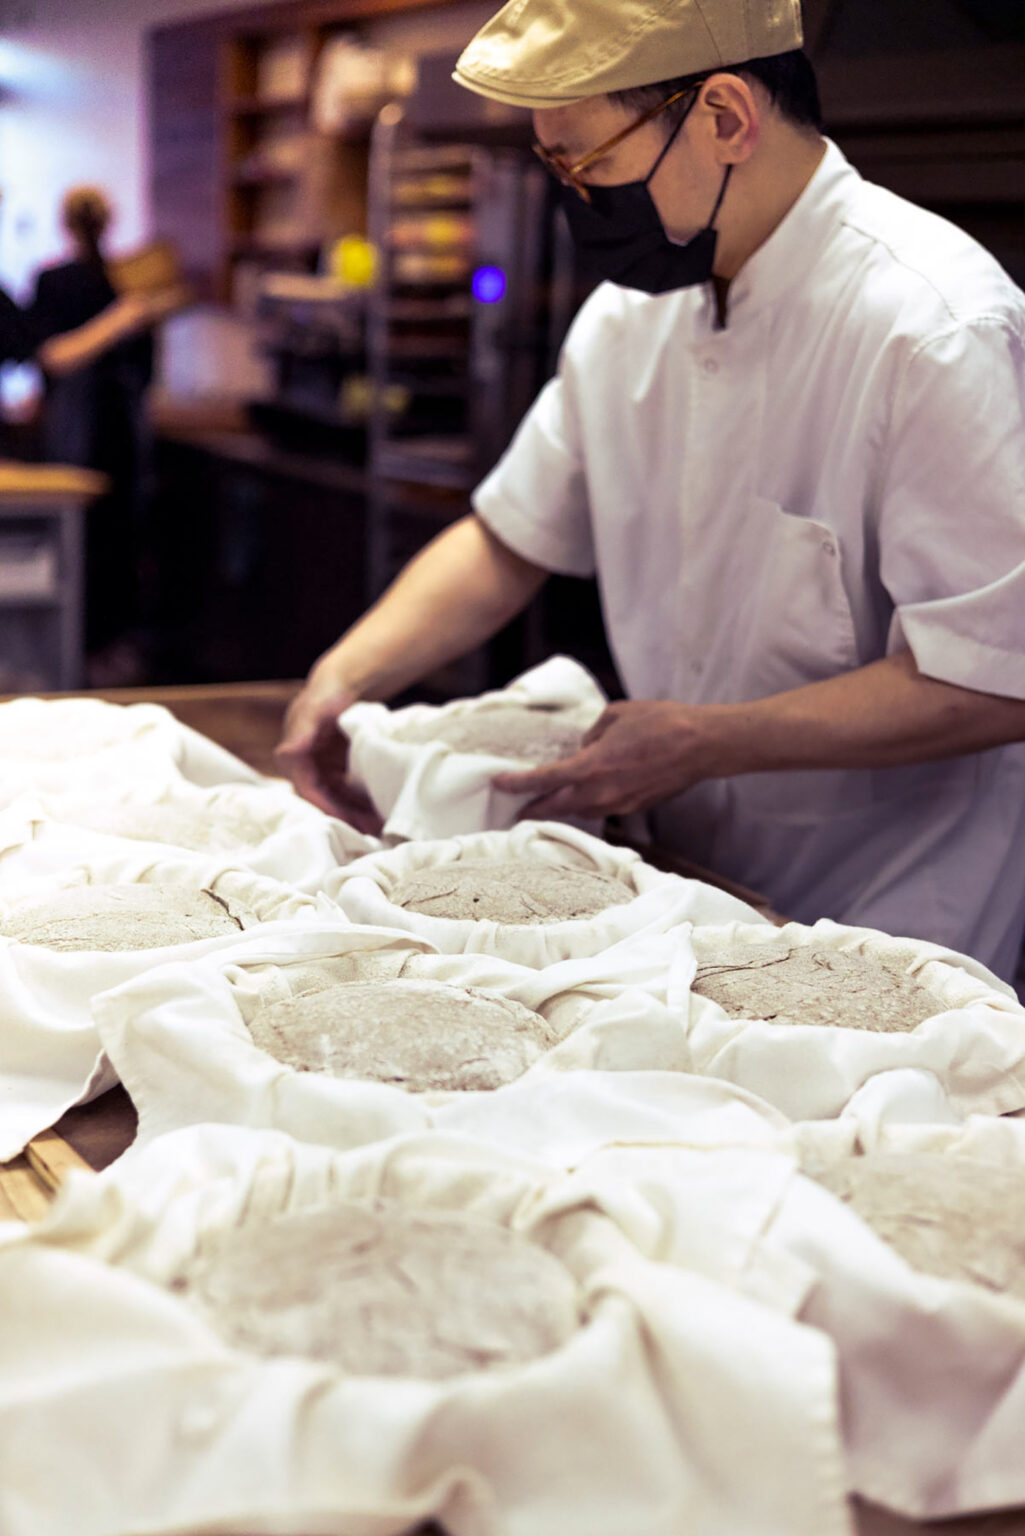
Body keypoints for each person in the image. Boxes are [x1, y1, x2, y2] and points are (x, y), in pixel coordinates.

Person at [278, 0, 1025, 982]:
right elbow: (509, 536)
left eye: (585, 161)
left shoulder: (930, 327)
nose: (575, 197)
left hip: (894, 907)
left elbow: (991, 674)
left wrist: (709, 741)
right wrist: (345, 678)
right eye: (553, 167)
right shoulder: (629, 321)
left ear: (723, 117)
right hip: (692, 885)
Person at [29, 187, 179, 682]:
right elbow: (55, 356)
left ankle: (102, 651)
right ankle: (81, 651)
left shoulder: (125, 279)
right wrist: (121, 321)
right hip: (85, 425)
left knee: (118, 537)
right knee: (91, 538)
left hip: (114, 426)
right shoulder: (75, 283)